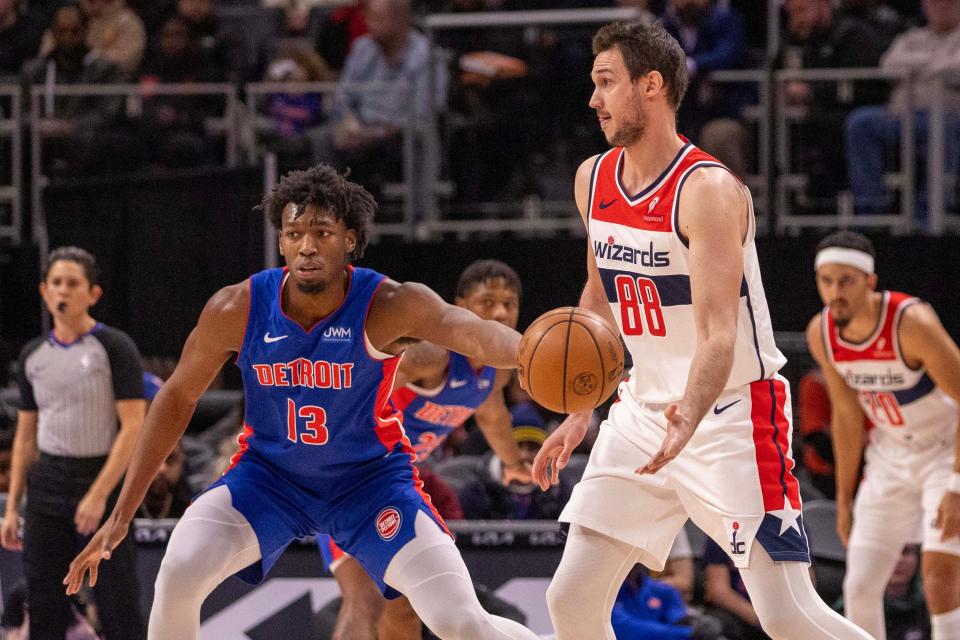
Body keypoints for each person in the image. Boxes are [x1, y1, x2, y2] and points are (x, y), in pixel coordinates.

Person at [63, 164, 539, 640]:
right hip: (269, 481)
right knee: (179, 571)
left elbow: (469, 331)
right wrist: (122, 514)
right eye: (294, 233)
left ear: (350, 240)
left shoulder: (389, 303)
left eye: (322, 232)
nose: (307, 246)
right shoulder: (238, 307)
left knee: (461, 622)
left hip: (369, 485)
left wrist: (528, 350)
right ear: (282, 241)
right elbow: (176, 397)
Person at [531, 20, 872, 639]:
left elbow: (719, 333)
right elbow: (598, 298)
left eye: (606, 83)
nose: (593, 100)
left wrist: (689, 411)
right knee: (571, 601)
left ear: (651, 85)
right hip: (640, 413)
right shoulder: (593, 180)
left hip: (731, 414)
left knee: (789, 615)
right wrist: (580, 407)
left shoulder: (707, 190)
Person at [317, 258, 532, 640]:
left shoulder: (496, 370)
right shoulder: (433, 354)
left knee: (404, 605)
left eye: (509, 303)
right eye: (487, 302)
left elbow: (492, 417)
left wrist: (514, 463)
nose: (500, 311)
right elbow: (352, 383)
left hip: (388, 486)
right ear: (461, 306)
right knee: (363, 601)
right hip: (344, 473)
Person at [806, 230, 960, 640]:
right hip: (889, 457)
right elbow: (846, 416)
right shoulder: (822, 333)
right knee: (859, 584)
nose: (834, 292)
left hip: (944, 453)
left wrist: (957, 486)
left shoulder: (912, 322)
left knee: (939, 574)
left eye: (846, 281)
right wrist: (843, 497)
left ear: (870, 282)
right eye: (826, 281)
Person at [1, 246, 146, 640]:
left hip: (101, 476)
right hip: (47, 483)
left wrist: (99, 495)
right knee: (44, 599)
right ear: (44, 291)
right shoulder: (32, 356)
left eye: (73, 283)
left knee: (118, 601)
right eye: (56, 283)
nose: (63, 291)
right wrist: (13, 506)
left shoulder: (115, 347)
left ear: (92, 293)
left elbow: (134, 427)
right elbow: (26, 435)